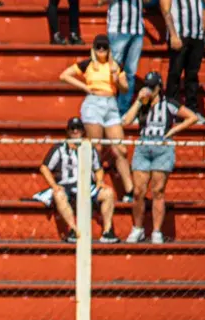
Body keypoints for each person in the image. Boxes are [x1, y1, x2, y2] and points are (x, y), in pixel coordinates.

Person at [122, 71, 198, 243]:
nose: (149, 89)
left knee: (158, 191)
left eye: (152, 86)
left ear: (159, 87)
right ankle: (138, 228)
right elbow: (126, 121)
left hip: (162, 146)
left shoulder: (169, 104)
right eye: (147, 86)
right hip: (143, 144)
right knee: (139, 191)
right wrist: (138, 101)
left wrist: (173, 131)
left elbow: (192, 117)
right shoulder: (142, 104)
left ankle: (156, 231)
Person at [60, 34, 135, 200]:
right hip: (94, 104)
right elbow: (64, 75)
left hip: (111, 104)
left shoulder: (115, 66)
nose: (101, 50)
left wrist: (116, 78)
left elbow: (125, 88)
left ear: (109, 50)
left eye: (104, 47)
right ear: (93, 49)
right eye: (98, 47)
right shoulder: (88, 64)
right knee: (96, 148)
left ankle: (130, 190)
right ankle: (92, 183)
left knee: (120, 149)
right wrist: (85, 87)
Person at [35, 117, 119, 243]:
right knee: (58, 195)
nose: (75, 131)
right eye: (72, 129)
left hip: (87, 186)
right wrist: (53, 185)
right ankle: (73, 230)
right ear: (68, 131)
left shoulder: (89, 148)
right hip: (67, 186)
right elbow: (44, 167)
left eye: (78, 128)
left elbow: (98, 169)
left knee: (108, 192)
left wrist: (99, 181)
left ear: (83, 131)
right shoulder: (60, 148)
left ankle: (107, 231)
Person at [161, 0, 205, 122]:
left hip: (196, 36)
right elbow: (165, 9)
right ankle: (171, 113)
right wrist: (173, 35)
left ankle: (192, 111)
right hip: (179, 35)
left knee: (192, 76)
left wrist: (202, 30)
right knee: (175, 74)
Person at [102, 0, 146, 113]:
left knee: (130, 74)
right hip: (117, 29)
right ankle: (106, 109)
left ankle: (123, 111)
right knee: (112, 70)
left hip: (137, 29)